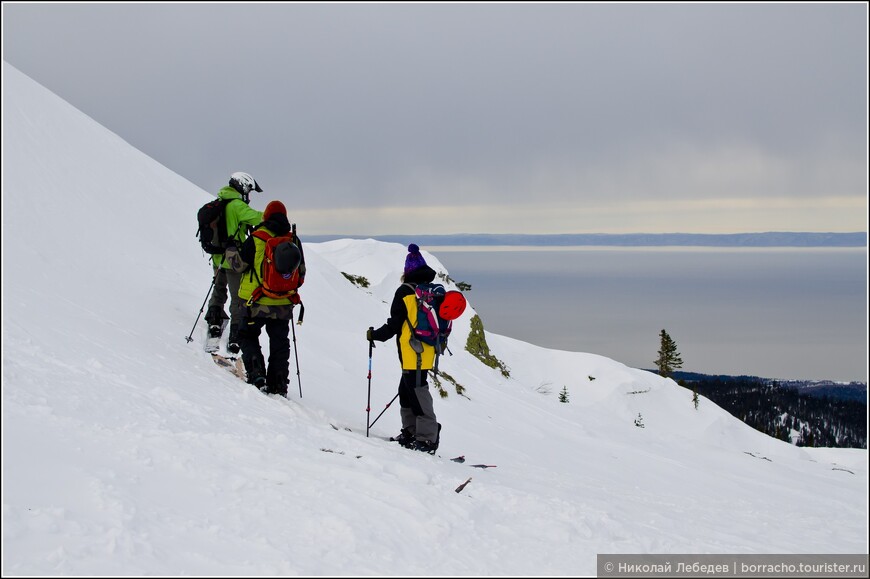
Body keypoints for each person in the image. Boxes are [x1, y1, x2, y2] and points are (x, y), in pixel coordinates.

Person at [367, 244, 441, 454]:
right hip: (426, 350)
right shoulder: (430, 291)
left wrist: (374, 335)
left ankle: (427, 437)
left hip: (412, 351)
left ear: (407, 271)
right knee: (406, 391)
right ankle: (411, 432)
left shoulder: (406, 291)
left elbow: (394, 325)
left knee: (418, 393)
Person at [237, 200, 305, 396]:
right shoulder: (293, 240)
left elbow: (239, 265)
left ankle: (257, 374)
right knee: (280, 342)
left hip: (255, 301)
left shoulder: (257, 237)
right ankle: (279, 382)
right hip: (284, 303)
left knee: (247, 335)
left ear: (266, 216)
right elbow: (300, 274)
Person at [204, 172, 264, 354]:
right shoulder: (237, 205)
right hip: (233, 258)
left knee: (218, 288)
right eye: (249, 191)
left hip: (217, 257)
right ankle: (235, 336)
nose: (249, 196)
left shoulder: (221, 201)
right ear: (243, 187)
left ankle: (214, 320)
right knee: (238, 297)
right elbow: (258, 218)